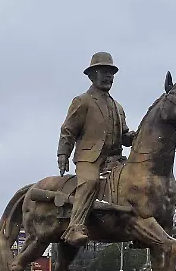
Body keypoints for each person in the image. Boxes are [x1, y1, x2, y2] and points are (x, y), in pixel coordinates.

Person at [56, 51, 134, 247]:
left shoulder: (118, 107)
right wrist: (63, 153)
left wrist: (136, 136)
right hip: (89, 159)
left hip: (115, 160)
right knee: (90, 182)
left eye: (111, 73)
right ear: (92, 75)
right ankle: (75, 227)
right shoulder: (83, 101)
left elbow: (124, 137)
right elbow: (68, 129)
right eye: (103, 71)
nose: (108, 76)